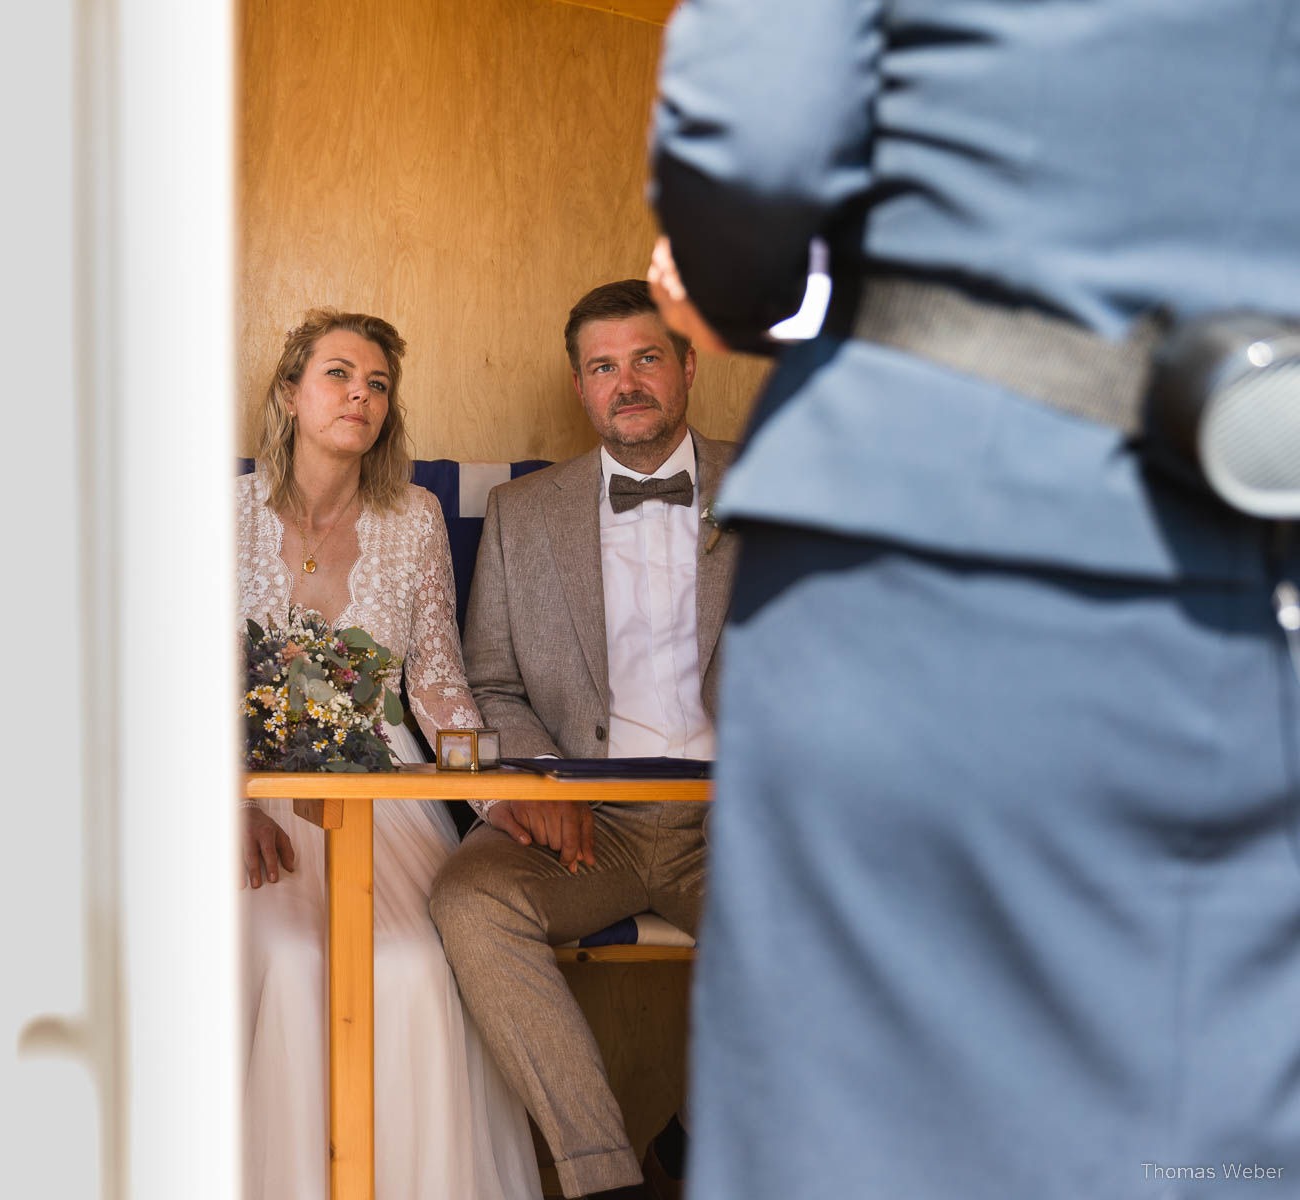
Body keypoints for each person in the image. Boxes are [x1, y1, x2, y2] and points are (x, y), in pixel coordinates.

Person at [648, 2, 1300, 1197]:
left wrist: (742, 296)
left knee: (867, 1136)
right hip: (1269, 584)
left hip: (938, 572)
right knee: (1221, 1155)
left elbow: (755, 154)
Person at [430, 279, 736, 1200]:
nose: (627, 382)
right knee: (469, 901)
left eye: (647, 358)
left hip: (738, 818)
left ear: (687, 366)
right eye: (603, 367)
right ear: (580, 388)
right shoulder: (525, 516)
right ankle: (604, 1179)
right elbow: (491, 685)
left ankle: (688, 1147)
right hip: (586, 818)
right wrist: (547, 786)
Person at [236, 308, 542, 1200]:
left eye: (377, 383)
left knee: (410, 964)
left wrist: (497, 798)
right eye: (338, 374)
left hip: (390, 788)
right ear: (291, 393)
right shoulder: (218, 512)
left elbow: (440, 684)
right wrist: (232, 805)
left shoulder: (416, 517)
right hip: (252, 789)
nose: (359, 395)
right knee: (292, 962)